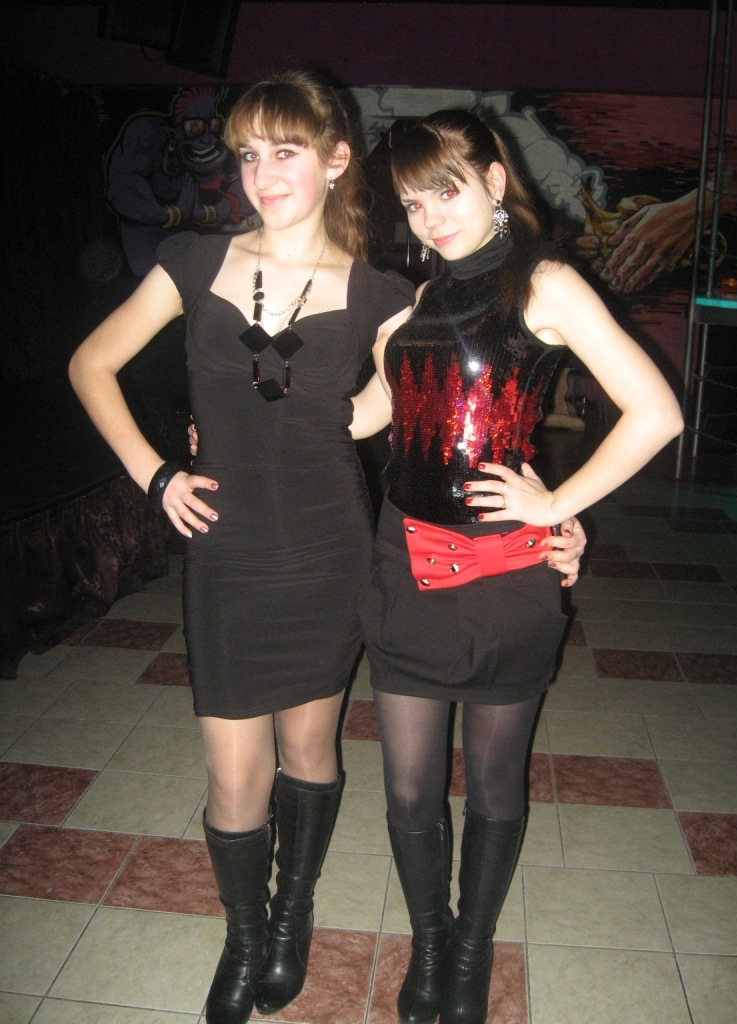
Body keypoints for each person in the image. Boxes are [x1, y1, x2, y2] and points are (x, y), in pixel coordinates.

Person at [70, 70, 585, 1024]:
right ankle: (244, 936)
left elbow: (447, 411)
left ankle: (292, 916)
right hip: (227, 553)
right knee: (233, 773)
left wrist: (550, 512)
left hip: (331, 547)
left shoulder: (386, 293)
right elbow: (89, 362)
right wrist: (158, 474)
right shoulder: (193, 261)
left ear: (336, 159)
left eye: (287, 151)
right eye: (248, 154)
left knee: (310, 751)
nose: (263, 173)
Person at [352, 109, 684, 1024]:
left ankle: (471, 950)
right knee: (410, 787)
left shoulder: (544, 282)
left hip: (506, 574)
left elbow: (656, 413)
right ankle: (430, 943)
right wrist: (250, 411)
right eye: (413, 202)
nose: (430, 216)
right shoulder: (416, 304)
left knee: (496, 786)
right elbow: (369, 414)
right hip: (406, 561)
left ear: (495, 181)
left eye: (446, 190)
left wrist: (556, 504)